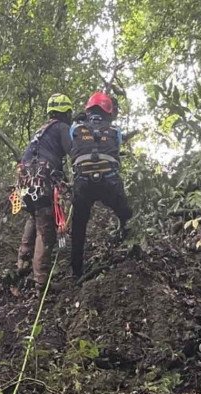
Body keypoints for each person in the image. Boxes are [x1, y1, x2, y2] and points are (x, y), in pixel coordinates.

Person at [69, 91, 133, 278]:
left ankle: (76, 272)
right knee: (125, 211)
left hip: (83, 183)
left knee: (79, 226)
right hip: (109, 181)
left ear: (88, 110)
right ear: (109, 112)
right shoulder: (115, 131)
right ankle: (129, 241)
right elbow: (116, 146)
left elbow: (72, 136)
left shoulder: (75, 128)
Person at [15, 93, 73, 289]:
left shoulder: (42, 130)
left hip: (26, 179)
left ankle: (23, 261)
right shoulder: (62, 127)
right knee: (46, 228)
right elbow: (73, 151)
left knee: (34, 216)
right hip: (42, 178)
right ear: (66, 112)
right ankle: (41, 281)